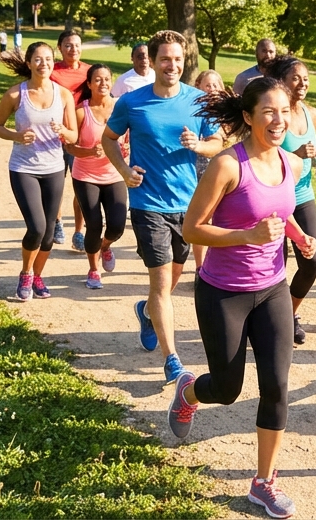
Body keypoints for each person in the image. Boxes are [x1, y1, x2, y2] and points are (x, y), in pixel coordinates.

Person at [171, 77, 316, 520]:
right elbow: (192, 228)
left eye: (284, 111)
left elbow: (279, 213)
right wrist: (246, 236)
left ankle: (263, 483)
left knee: (276, 386)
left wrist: (300, 236)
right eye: (268, 111)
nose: (278, 119)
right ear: (249, 117)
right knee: (228, 389)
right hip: (222, 292)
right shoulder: (226, 166)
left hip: (272, 288)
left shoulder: (293, 164)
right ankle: (190, 392)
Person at [102, 30, 224, 383]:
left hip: (188, 204)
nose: (172, 65)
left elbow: (218, 142)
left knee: (173, 277)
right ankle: (172, 359)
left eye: (178, 59)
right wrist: (124, 171)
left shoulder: (199, 100)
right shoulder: (132, 102)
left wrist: (198, 146)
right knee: (159, 283)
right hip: (147, 203)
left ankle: (147, 312)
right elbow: (108, 139)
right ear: (152, 62)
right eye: (165, 59)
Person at [0, 42, 78, 301]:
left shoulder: (63, 95)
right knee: (37, 228)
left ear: (54, 62)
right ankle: (26, 273)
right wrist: (17, 135)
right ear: (29, 63)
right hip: (24, 168)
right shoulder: (16, 95)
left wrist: (63, 132)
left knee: (49, 233)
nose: (44, 64)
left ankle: (38, 276)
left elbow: (73, 135)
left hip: (54, 168)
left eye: (49, 59)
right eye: (38, 59)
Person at [264, 55, 316, 346]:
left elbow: (315, 152)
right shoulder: (276, 116)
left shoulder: (312, 114)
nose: (302, 83)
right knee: (277, 265)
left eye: (306, 78)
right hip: (276, 198)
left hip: (304, 195)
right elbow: (265, 152)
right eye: (295, 78)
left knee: (312, 261)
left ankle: (289, 313)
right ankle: (272, 320)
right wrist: (295, 156)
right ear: (282, 82)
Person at [66, 64, 129, 290]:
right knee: (94, 224)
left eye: (107, 79)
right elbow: (70, 147)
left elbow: (128, 138)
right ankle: (93, 270)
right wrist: (90, 151)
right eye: (98, 80)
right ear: (90, 84)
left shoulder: (121, 108)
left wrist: (127, 149)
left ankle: (105, 246)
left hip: (115, 174)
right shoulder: (81, 112)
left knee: (117, 226)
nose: (103, 83)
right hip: (86, 175)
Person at [51, 30, 92, 251]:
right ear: (60, 48)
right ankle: (57, 222)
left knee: (81, 185)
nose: (73, 49)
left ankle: (79, 230)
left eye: (76, 45)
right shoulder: (52, 71)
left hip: (81, 135)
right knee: (57, 184)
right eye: (68, 45)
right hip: (56, 134)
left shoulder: (88, 72)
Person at [191, 69, 228, 274]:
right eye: (208, 85)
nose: (212, 89)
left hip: (225, 171)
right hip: (200, 167)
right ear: (198, 87)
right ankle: (200, 266)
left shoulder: (229, 112)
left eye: (216, 85)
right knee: (202, 218)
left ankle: (219, 263)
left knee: (222, 217)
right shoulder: (194, 111)